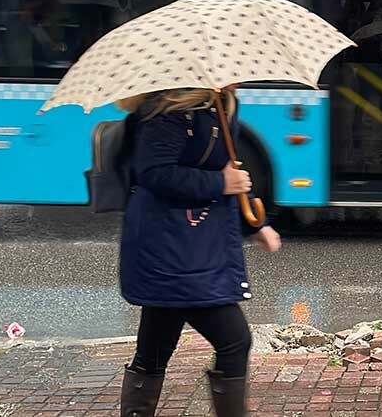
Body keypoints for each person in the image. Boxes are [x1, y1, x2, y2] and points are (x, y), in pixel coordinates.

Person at [115, 87, 281, 417]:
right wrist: (220, 183)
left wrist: (254, 226)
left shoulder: (218, 104)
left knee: (154, 351)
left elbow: (221, 175)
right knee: (235, 340)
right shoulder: (171, 111)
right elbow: (153, 173)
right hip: (172, 250)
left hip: (185, 246)